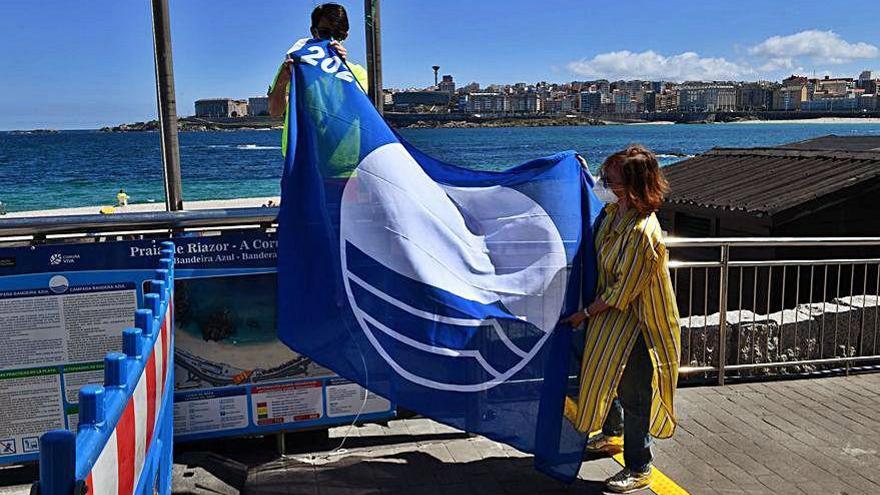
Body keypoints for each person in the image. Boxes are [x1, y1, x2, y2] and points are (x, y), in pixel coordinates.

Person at [562, 145, 681, 493]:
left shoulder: (644, 233)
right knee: (603, 375)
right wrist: (580, 177)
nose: (605, 183)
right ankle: (612, 434)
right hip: (610, 320)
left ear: (632, 185)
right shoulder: (615, 213)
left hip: (639, 327)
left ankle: (640, 465)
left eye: (610, 179)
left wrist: (583, 314)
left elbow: (620, 293)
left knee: (634, 394)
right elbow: (593, 227)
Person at [268, 3, 369, 156]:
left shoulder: (358, 73)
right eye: (325, 33)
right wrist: (282, 81)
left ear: (345, 36)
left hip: (345, 164)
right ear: (313, 32)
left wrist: (341, 69)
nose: (332, 40)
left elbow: (356, 114)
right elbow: (276, 111)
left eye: (338, 34)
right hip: (302, 161)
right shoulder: (294, 68)